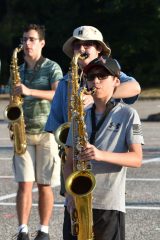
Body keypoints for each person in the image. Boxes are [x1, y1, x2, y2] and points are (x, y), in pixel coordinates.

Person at [45, 25, 141, 239]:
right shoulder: (66, 82)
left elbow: (134, 87)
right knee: (75, 227)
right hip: (75, 164)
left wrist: (99, 95)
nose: (81, 48)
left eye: (87, 44)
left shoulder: (107, 71)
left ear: (99, 50)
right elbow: (56, 124)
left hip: (106, 187)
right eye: (77, 45)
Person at [64, 56, 144, 240]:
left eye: (102, 76)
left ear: (116, 81)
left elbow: (137, 159)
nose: (96, 81)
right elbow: (68, 162)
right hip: (78, 201)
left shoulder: (128, 114)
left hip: (109, 204)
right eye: (91, 77)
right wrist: (70, 196)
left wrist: (101, 155)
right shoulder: (79, 116)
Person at [11, 24, 63, 240]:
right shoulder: (19, 70)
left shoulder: (52, 67)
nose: (27, 44)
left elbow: (58, 94)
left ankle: (44, 231)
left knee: (44, 184)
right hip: (23, 131)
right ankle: (22, 230)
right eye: (24, 39)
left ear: (42, 43)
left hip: (47, 133)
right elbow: (15, 100)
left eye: (32, 39)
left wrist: (29, 91)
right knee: (24, 183)